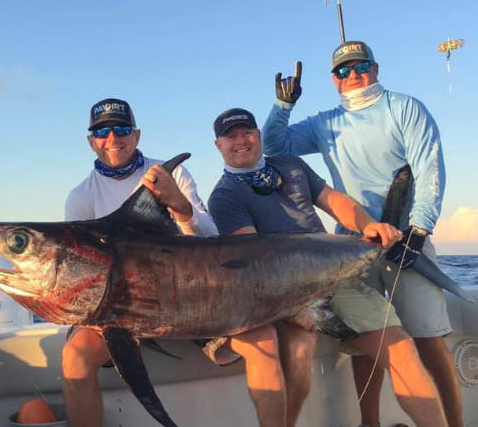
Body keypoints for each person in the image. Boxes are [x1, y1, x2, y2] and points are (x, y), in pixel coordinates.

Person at [263, 43, 462, 427]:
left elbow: (428, 168)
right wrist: (282, 107)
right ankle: (369, 423)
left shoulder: (405, 108)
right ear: (334, 80)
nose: (352, 75)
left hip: (408, 240)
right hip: (352, 245)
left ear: (376, 67)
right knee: (366, 343)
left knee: (429, 339)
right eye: (342, 70)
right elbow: (275, 146)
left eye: (361, 66)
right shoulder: (325, 123)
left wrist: (419, 230)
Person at [209, 108, 449, 427]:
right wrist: (296, 307)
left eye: (247, 132)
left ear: (259, 135)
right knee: (387, 348)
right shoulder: (224, 196)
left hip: (336, 275)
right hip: (289, 293)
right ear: (219, 146)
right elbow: (258, 263)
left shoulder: (292, 166)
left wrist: (369, 225)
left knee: (400, 348)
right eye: (231, 136)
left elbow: (333, 200)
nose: (241, 141)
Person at [62, 98, 218, 427]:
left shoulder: (167, 174)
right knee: (74, 359)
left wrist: (178, 204)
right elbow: (81, 271)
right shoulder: (80, 197)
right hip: (116, 309)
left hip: (182, 300)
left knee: (259, 343)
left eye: (122, 129)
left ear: (137, 135)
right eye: (102, 132)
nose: (113, 138)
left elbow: (210, 239)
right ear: (91, 141)